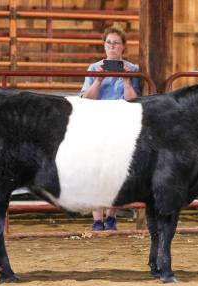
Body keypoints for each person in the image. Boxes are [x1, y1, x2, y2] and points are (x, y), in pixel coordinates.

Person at [80, 25, 140, 231]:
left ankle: (112, 216)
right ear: (104, 46)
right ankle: (97, 219)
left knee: (118, 172)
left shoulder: (132, 69)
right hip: (97, 124)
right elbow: (85, 99)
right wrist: (98, 80)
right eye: (109, 43)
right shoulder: (94, 68)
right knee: (95, 171)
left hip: (121, 124)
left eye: (116, 43)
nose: (112, 47)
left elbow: (134, 101)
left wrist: (126, 80)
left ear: (123, 47)